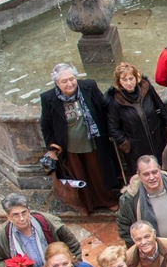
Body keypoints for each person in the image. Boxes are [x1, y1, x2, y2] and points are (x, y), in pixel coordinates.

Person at [37, 63, 122, 214]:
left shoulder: (89, 86)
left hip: (93, 141)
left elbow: (104, 108)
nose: (69, 83)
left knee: (98, 172)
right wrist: (51, 148)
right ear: (57, 83)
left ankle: (106, 200)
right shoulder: (48, 98)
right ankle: (85, 205)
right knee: (78, 176)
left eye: (71, 79)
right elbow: (46, 124)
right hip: (69, 146)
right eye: (64, 81)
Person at [117, 155, 167, 256]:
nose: (151, 177)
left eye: (154, 172)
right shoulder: (130, 198)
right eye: (146, 174)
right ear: (138, 175)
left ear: (159, 170)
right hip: (155, 255)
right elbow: (125, 228)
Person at [0, 193, 83, 267]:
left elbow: (73, 245)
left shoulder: (50, 223)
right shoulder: (2, 236)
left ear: (28, 211)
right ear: (9, 217)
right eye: (16, 215)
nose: (21, 218)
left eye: (24, 213)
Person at [106, 61, 167, 172]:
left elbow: (160, 106)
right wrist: (126, 144)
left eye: (131, 78)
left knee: (164, 168)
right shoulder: (115, 100)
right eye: (124, 80)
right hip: (137, 147)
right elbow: (113, 127)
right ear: (119, 82)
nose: (129, 83)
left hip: (158, 138)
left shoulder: (147, 89)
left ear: (136, 78)